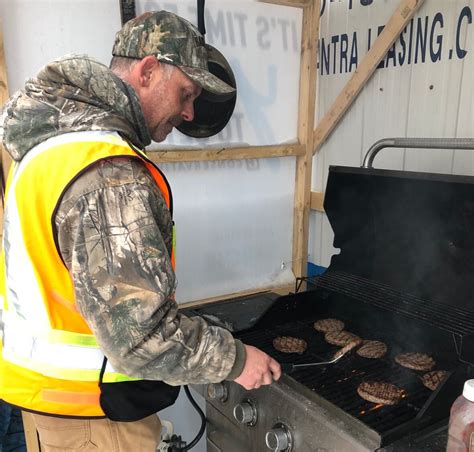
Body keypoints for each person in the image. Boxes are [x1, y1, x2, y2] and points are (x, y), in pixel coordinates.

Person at [0, 10, 281, 452]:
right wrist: (235, 360)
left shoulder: (53, 146)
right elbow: (141, 336)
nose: (189, 114)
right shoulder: (107, 169)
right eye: (186, 94)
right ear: (148, 69)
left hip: (54, 406)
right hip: (95, 420)